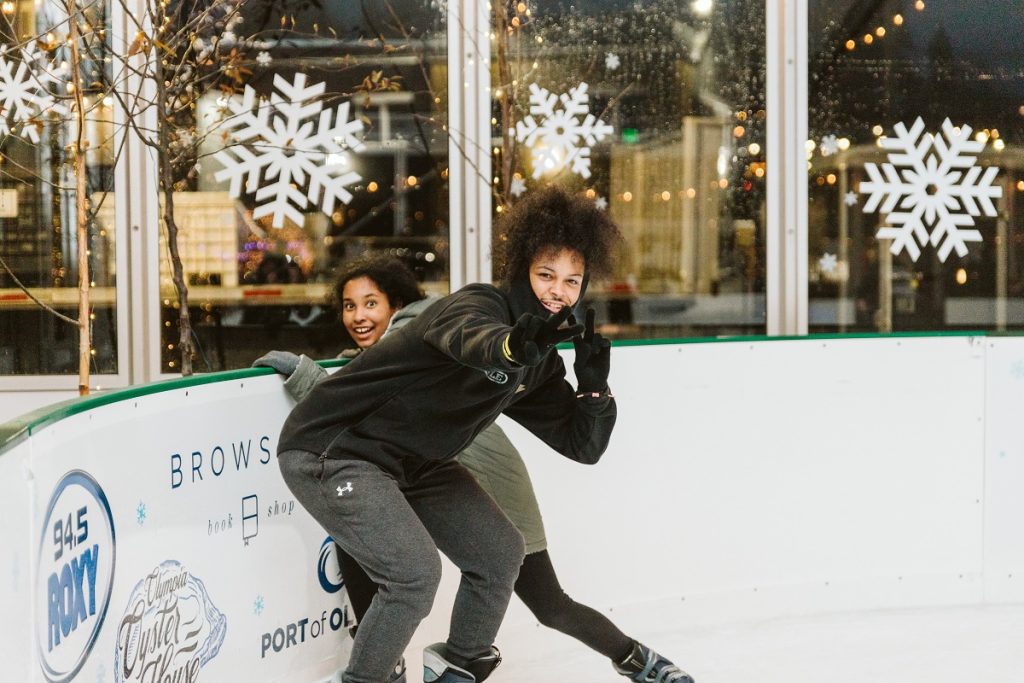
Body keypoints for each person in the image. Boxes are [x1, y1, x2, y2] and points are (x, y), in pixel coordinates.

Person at [264, 187, 687, 683]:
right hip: (333, 450)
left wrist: (594, 390)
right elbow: (471, 338)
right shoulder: (474, 306)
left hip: (413, 465)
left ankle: (458, 662)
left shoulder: (540, 361)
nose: (558, 291)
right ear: (521, 272)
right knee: (415, 578)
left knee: (500, 554)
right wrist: (511, 347)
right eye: (546, 275)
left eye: (572, 281)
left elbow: (582, 446)